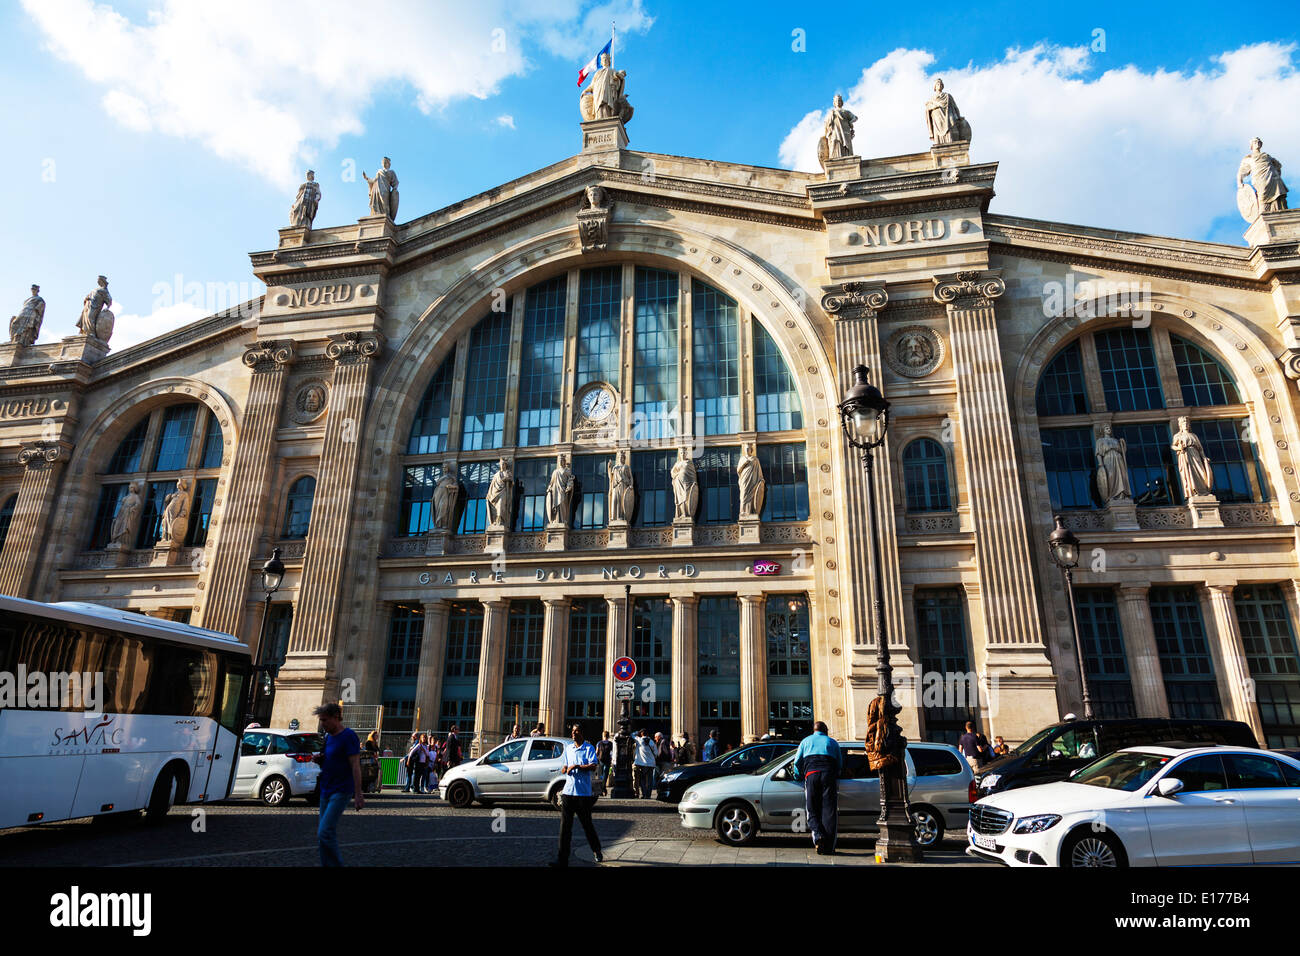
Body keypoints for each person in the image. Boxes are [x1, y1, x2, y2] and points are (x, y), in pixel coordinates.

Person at [313, 703, 363, 866]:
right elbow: (331, 760)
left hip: (341, 790)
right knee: (325, 834)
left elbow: (355, 765)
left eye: (325, 720)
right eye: (321, 720)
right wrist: (321, 760)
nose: (322, 724)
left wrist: (358, 794)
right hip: (326, 789)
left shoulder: (348, 736)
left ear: (336, 717)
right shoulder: (328, 738)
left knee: (324, 832)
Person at [551, 724, 603, 867]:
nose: (573, 733)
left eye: (577, 731)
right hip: (568, 792)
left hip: (583, 794)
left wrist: (578, 766)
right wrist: (564, 768)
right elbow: (566, 765)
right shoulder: (568, 749)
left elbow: (593, 765)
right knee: (565, 828)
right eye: (572, 731)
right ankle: (562, 859)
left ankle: (596, 850)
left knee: (587, 825)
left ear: (582, 733)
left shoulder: (588, 748)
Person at [791, 721, 841, 855]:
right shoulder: (832, 742)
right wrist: (836, 775)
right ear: (826, 730)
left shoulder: (805, 741)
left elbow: (797, 762)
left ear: (814, 731)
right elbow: (839, 763)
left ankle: (818, 836)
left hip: (811, 776)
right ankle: (829, 847)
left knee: (812, 809)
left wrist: (798, 776)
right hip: (828, 777)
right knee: (829, 812)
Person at [633, 729, 657, 798]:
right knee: (649, 780)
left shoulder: (639, 740)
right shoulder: (652, 742)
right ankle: (648, 795)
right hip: (651, 764)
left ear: (641, 734)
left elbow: (632, 735)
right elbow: (656, 753)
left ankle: (644, 794)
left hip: (642, 764)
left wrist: (637, 732)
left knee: (642, 780)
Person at [595, 730, 614, 795]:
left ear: (603, 735)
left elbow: (596, 752)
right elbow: (612, 753)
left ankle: (601, 789)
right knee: (605, 775)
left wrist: (596, 759)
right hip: (608, 761)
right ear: (608, 736)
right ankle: (604, 789)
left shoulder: (599, 743)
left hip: (601, 760)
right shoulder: (610, 744)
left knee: (600, 775)